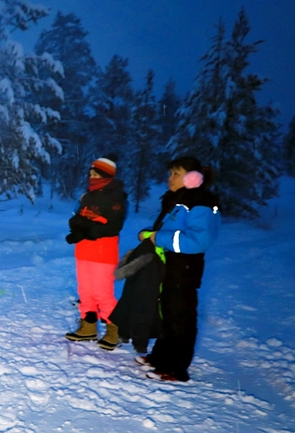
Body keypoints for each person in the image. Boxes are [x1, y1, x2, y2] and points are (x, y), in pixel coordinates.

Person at [135, 156, 221, 382]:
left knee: (180, 316)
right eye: (170, 172)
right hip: (171, 265)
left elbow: (198, 241)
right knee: (168, 313)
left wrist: (158, 238)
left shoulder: (200, 201)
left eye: (176, 173)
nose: (170, 178)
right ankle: (161, 358)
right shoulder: (179, 199)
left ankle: (176, 368)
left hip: (184, 267)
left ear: (193, 177)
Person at [64, 157, 127, 350]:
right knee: (85, 292)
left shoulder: (116, 197)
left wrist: (87, 229)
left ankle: (114, 330)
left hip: (103, 254)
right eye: (90, 174)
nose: (92, 178)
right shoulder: (87, 196)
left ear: (107, 175)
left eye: (96, 174)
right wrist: (79, 228)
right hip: (83, 251)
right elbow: (75, 218)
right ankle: (88, 326)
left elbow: (112, 226)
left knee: (103, 293)